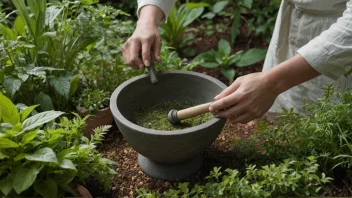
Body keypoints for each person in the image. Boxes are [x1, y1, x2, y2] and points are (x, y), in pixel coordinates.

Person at [122, 0, 352, 124]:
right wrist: (148, 18)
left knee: (326, 130)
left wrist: (273, 83)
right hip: (295, 20)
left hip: (338, 46)